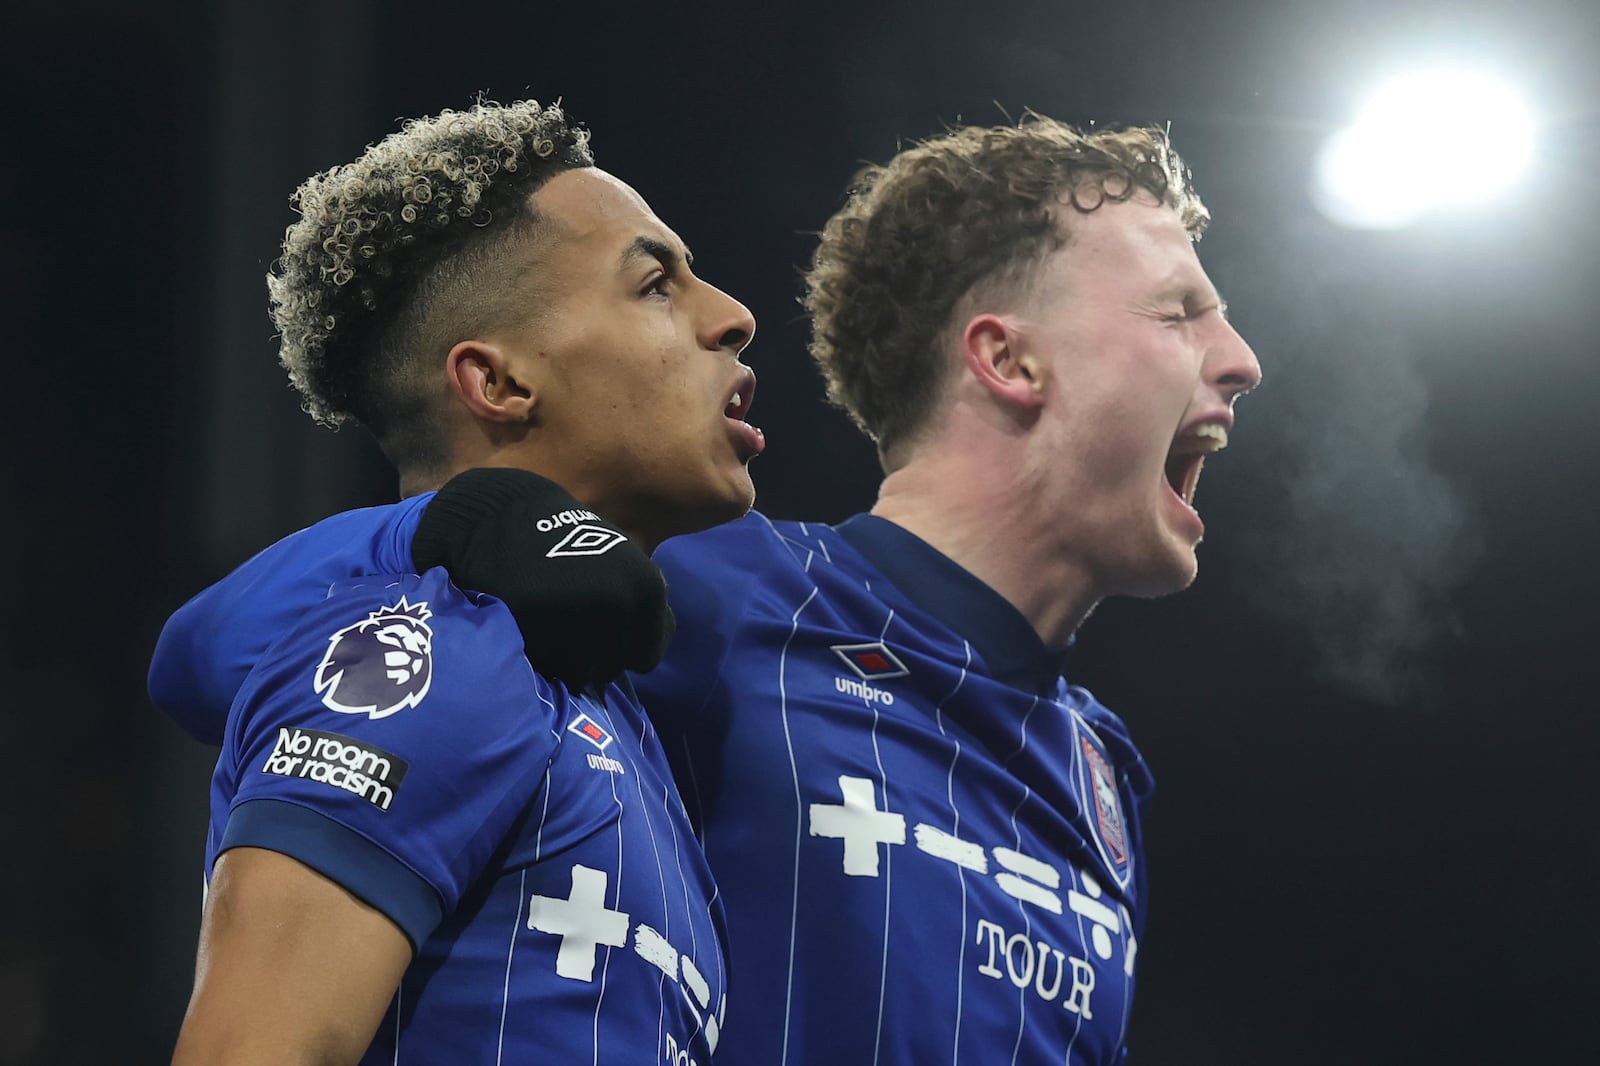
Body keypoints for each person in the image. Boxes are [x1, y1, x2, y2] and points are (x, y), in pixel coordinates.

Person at [158, 115, 1262, 1064]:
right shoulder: (708, 595)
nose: (1238, 358)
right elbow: (220, 651)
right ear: (1006, 359)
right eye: (1178, 312)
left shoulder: (1102, 780)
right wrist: (454, 520)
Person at [147, 98, 763, 1065]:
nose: (731, 316)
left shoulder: (609, 711)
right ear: (500, 383)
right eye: (654, 286)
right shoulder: (438, 647)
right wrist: (443, 527)